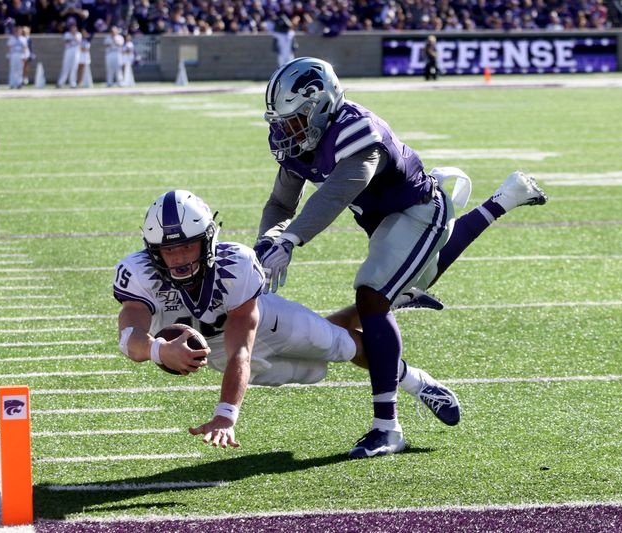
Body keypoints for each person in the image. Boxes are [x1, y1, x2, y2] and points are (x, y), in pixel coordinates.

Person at [256, 57, 547, 458]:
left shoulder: (357, 130)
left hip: (419, 212)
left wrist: (290, 241)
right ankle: (504, 199)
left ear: (320, 104)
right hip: (384, 223)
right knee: (390, 291)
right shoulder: (301, 144)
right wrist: (265, 242)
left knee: (372, 294)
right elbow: (280, 202)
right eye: (282, 121)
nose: (285, 131)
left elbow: (336, 194)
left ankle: (387, 429)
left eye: (294, 120)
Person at [114, 190, 460, 449]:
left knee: (339, 346)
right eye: (168, 249)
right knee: (314, 371)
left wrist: (225, 415)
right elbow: (130, 335)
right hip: (217, 353)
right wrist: (159, 350)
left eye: (186, 246)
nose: (178, 259)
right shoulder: (139, 272)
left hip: (265, 322)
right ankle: (391, 302)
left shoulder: (235, 265)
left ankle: (417, 381)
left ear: (208, 241)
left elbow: (241, 350)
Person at [56, 22, 81, 88]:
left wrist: (74, 36)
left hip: (76, 52)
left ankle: (73, 83)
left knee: (74, 68)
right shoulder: (67, 34)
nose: (73, 29)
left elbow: (78, 41)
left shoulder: (78, 34)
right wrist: (72, 37)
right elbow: (66, 41)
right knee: (65, 67)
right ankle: (60, 83)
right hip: (68, 51)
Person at [5, 24, 28, 89]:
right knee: (13, 69)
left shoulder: (23, 39)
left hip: (20, 55)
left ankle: (19, 83)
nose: (18, 32)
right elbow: (9, 47)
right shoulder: (12, 38)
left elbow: (25, 48)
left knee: (20, 70)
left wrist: (25, 56)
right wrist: (9, 56)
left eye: (19, 31)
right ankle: (12, 84)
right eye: (17, 31)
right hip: (14, 54)